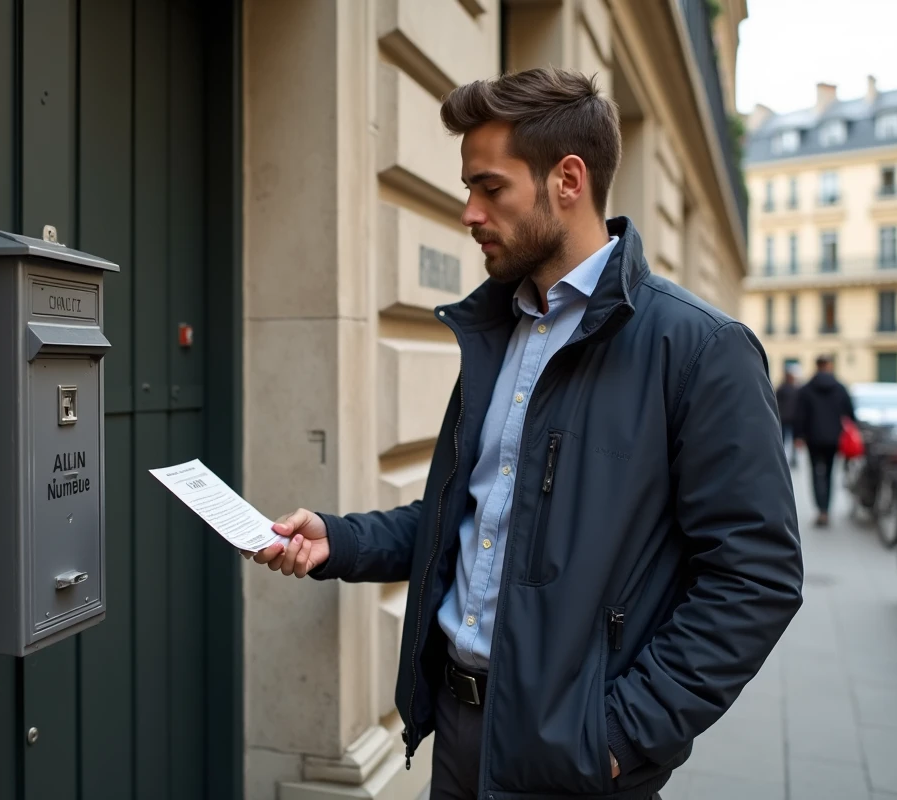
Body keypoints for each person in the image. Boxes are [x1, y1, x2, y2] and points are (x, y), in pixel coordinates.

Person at [249, 67, 803, 800]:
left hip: (575, 757)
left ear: (567, 180)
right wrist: (338, 540)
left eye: (490, 188)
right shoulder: (500, 329)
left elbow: (756, 575)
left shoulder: (698, 348)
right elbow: (470, 523)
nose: (469, 213)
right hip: (456, 729)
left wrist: (620, 736)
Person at [794, 355, 855, 527]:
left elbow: (800, 415)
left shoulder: (806, 389)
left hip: (813, 438)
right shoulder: (840, 387)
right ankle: (826, 509)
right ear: (828, 366)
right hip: (833, 438)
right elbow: (850, 413)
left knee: (815, 473)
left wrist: (798, 436)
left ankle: (820, 509)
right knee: (829, 473)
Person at [775, 367, 801, 468]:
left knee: (785, 440)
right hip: (791, 418)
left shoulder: (782, 388)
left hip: (785, 418)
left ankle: (786, 458)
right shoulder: (796, 389)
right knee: (789, 440)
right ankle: (792, 459)